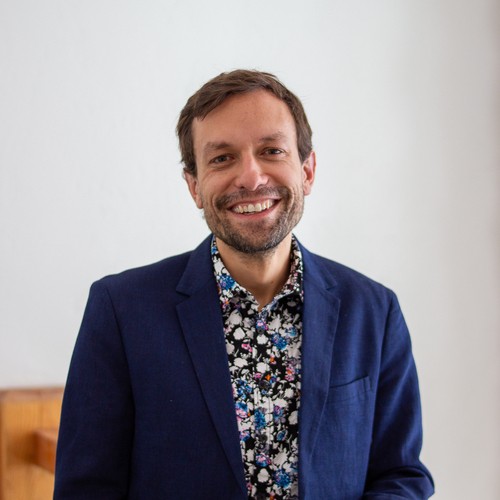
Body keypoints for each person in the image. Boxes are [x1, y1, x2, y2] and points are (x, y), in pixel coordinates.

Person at [54, 70, 434, 499]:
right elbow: (86, 490)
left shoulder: (374, 311)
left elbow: (400, 474)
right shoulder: (120, 311)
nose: (251, 178)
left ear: (307, 171)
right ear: (194, 187)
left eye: (272, 151)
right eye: (222, 158)